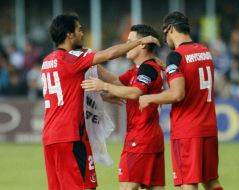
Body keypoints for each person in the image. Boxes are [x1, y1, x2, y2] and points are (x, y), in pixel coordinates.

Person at [41, 13, 159, 190]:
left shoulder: (47, 61)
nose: (82, 34)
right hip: (70, 135)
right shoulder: (70, 59)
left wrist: (104, 95)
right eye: (79, 30)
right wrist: (138, 42)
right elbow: (110, 54)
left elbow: (68, 92)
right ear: (69, 35)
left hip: (50, 136)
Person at [139, 12, 223, 190]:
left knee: (188, 184)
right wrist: (168, 67)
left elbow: (177, 94)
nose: (165, 39)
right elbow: (194, 78)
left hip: (187, 130)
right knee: (211, 182)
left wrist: (149, 98)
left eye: (164, 33)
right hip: (208, 127)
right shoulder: (204, 51)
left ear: (170, 28)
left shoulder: (176, 56)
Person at [82, 24, 165, 190]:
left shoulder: (147, 69)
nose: (126, 45)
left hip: (140, 138)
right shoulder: (138, 70)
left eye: (130, 41)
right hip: (151, 137)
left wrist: (103, 87)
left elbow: (135, 92)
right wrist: (92, 63)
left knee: (126, 187)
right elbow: (116, 81)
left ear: (142, 44)